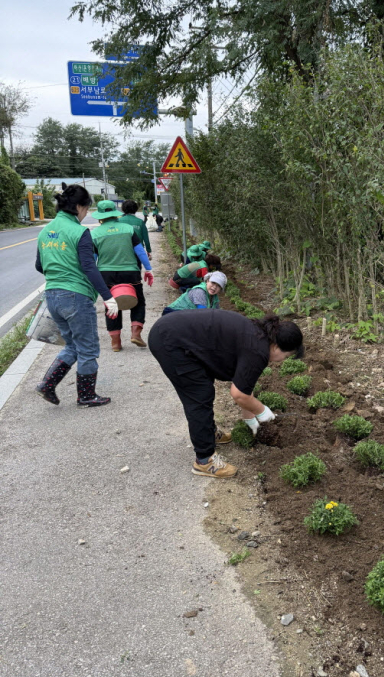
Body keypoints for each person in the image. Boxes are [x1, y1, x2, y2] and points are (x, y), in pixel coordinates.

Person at [148, 312, 304, 478]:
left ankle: (209, 434)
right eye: (286, 356)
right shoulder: (258, 350)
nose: (281, 360)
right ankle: (204, 461)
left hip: (178, 335)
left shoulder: (259, 336)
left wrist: (250, 418)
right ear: (276, 346)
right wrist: (262, 411)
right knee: (199, 396)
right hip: (171, 341)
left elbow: (244, 386)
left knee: (203, 389)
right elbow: (239, 395)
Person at [34, 183, 118, 407]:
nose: (86, 214)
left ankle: (46, 385)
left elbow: (39, 266)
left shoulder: (45, 231)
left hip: (52, 296)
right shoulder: (79, 232)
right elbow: (89, 267)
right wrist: (108, 297)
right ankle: (87, 396)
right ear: (79, 206)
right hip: (75, 297)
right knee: (88, 348)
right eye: (87, 209)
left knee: (72, 345)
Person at [90, 200, 153, 351]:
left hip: (106, 275)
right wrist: (148, 269)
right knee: (138, 302)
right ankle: (136, 333)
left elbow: (92, 258)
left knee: (111, 305)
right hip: (130, 272)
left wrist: (91, 278)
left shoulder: (94, 234)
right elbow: (140, 251)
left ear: (100, 216)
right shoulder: (128, 229)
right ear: (115, 213)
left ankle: (116, 342)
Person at [162, 271, 227, 316]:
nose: (214, 287)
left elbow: (216, 314)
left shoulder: (214, 298)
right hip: (172, 314)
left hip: (186, 316)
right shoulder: (199, 292)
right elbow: (203, 315)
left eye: (218, 286)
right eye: (213, 283)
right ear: (207, 281)